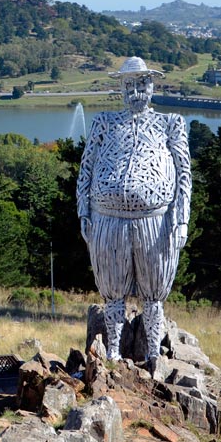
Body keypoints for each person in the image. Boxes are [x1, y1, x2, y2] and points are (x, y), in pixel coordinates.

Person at [76, 57, 192, 363]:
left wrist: (181, 220)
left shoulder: (171, 123)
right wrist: (83, 212)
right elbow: (86, 169)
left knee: (153, 295)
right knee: (113, 293)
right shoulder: (104, 122)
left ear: (152, 85)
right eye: (129, 85)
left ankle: (153, 353)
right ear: (121, 88)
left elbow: (183, 174)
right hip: (107, 219)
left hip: (155, 221)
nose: (136, 91)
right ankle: (113, 351)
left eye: (142, 84)